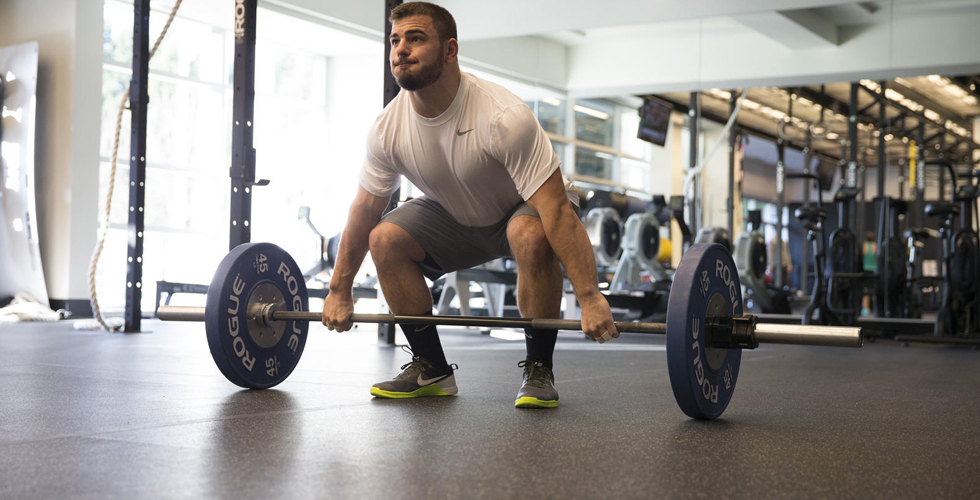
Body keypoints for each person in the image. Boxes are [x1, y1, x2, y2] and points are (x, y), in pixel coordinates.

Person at [320, 1, 618, 409]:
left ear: (450, 50)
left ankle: (539, 369)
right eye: (395, 40)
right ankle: (432, 369)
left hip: (524, 208)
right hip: (455, 215)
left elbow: (556, 210)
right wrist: (340, 289)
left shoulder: (502, 117)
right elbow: (363, 210)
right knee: (384, 237)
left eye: (416, 38)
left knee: (528, 232)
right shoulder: (387, 129)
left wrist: (589, 297)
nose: (400, 49)